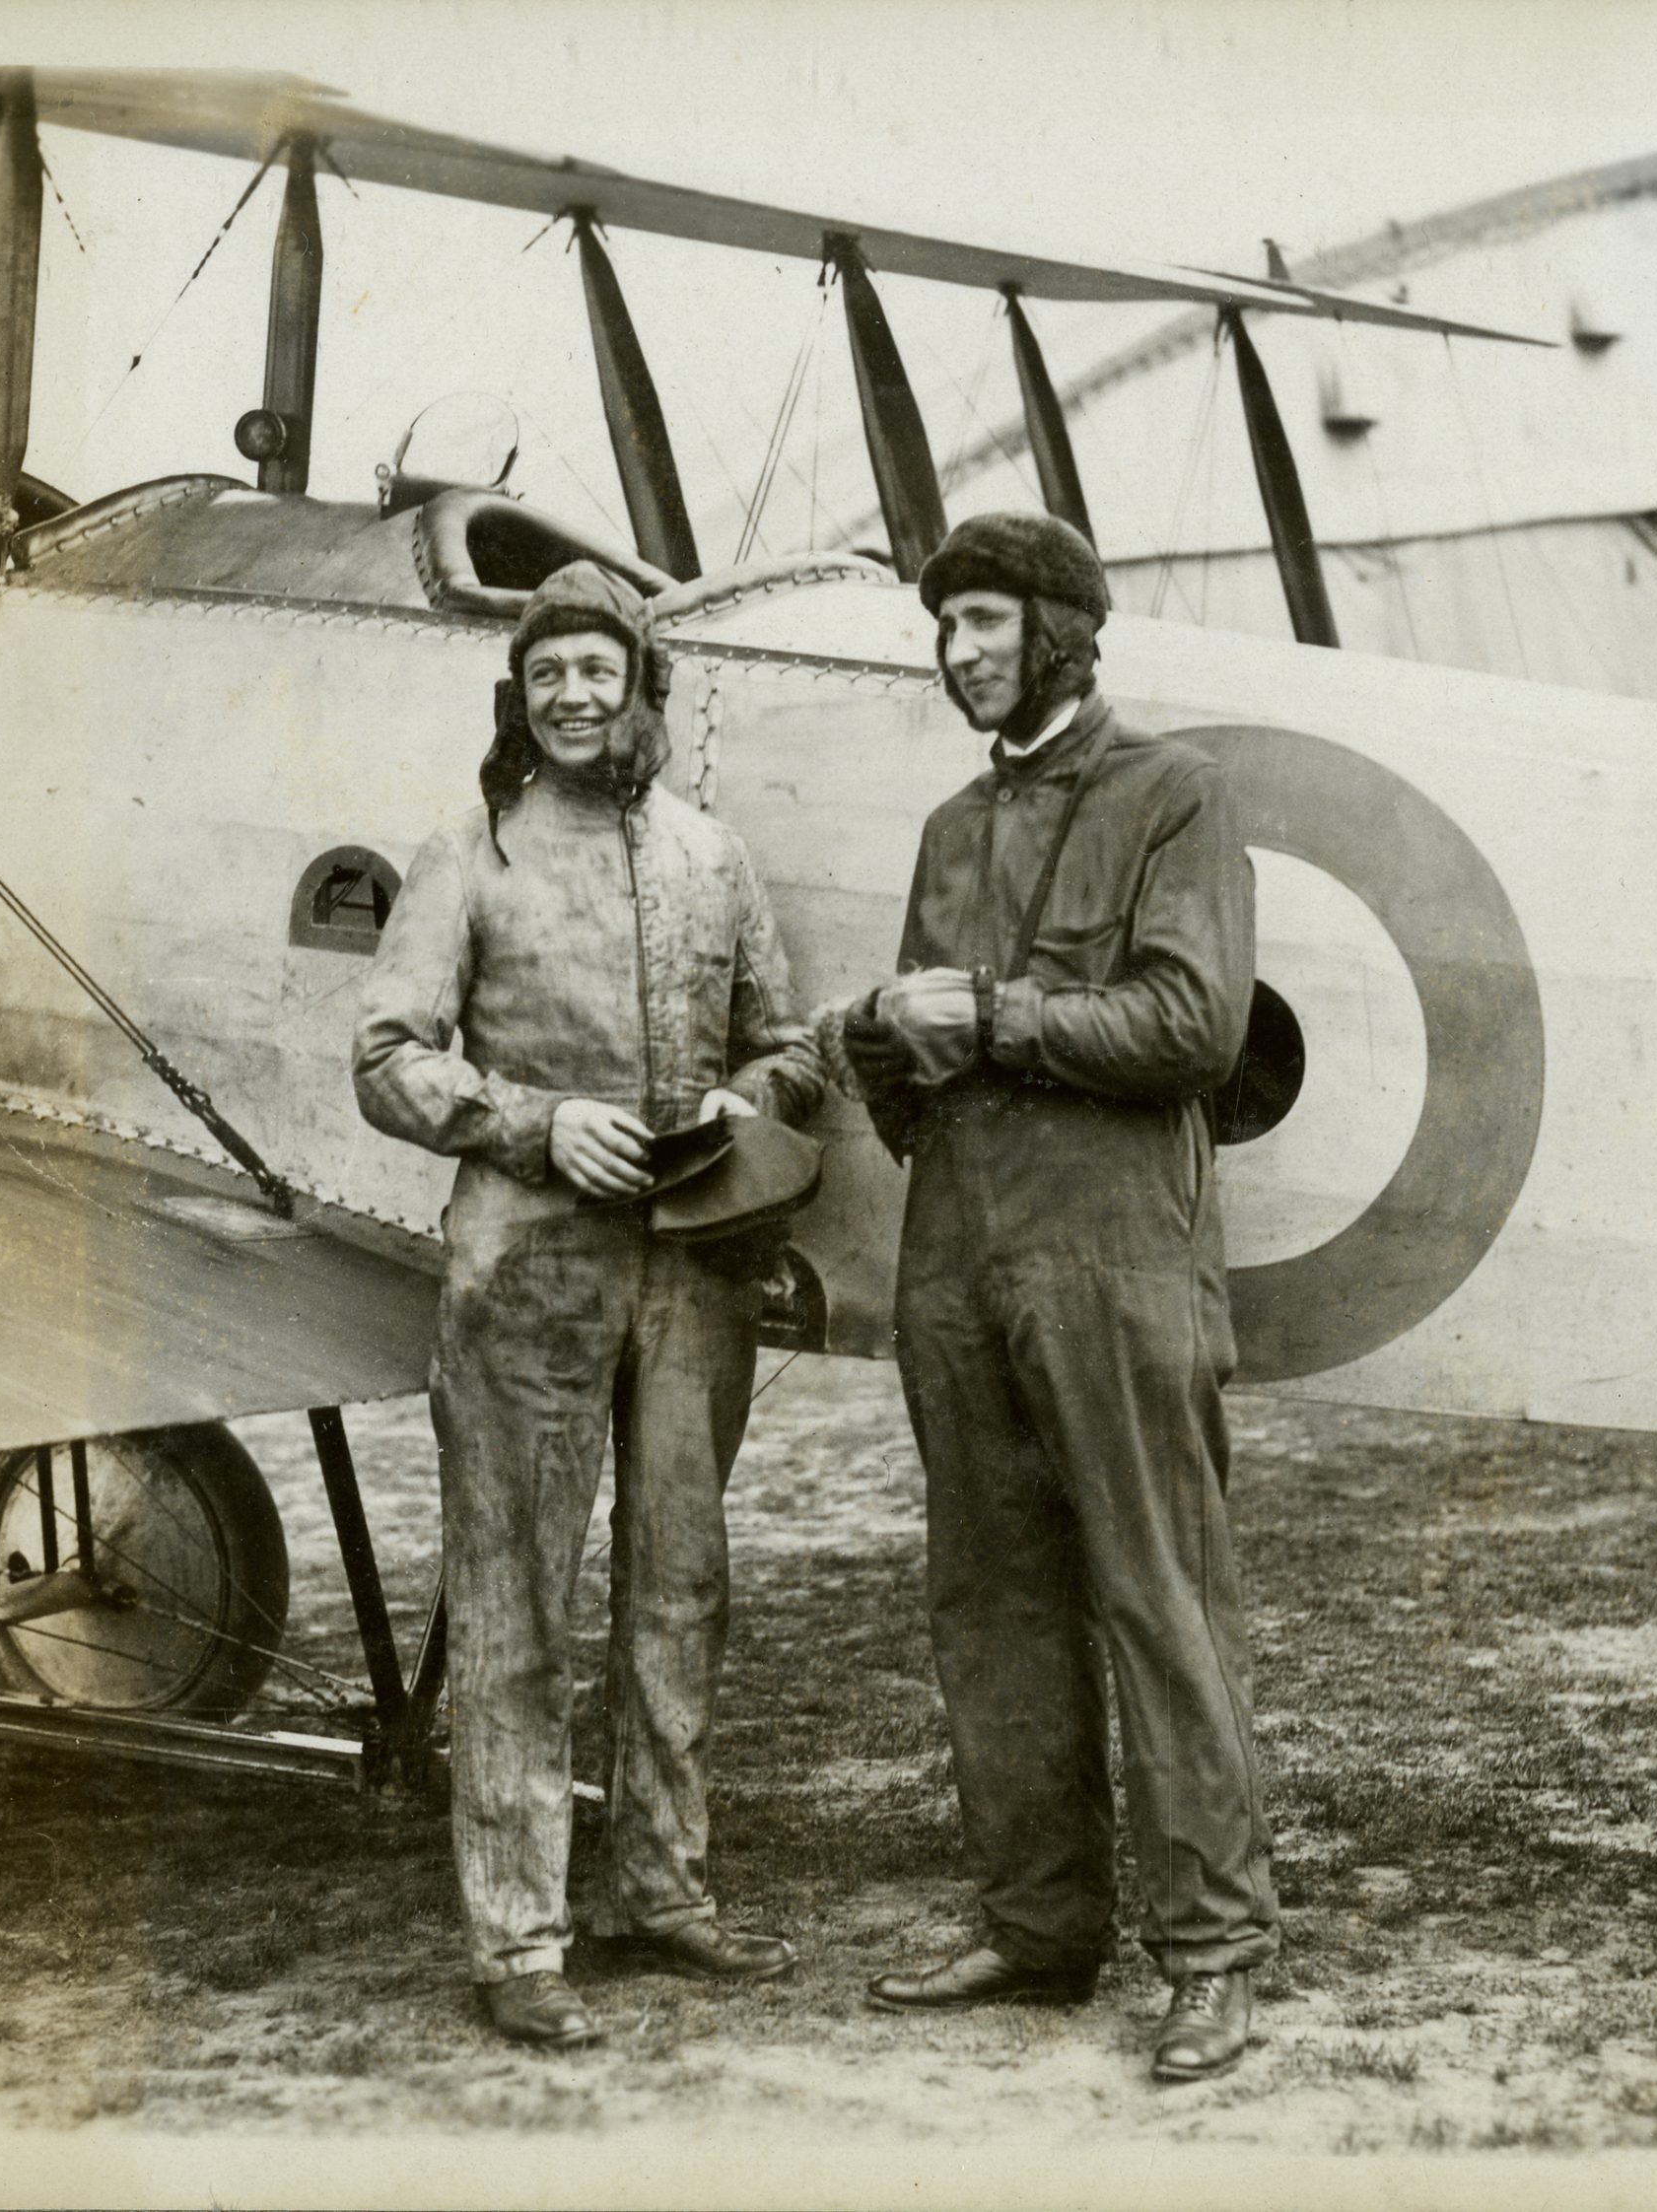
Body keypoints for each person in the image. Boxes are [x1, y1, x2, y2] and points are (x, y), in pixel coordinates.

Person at [354, 562, 824, 2051]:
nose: (573, 695)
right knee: (517, 1602)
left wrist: (746, 1100)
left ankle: (664, 1893)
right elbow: (386, 1055)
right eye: (547, 672)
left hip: (693, 1270)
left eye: (597, 671)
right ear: (522, 694)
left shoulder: (711, 856)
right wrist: (532, 1123)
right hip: (528, 1271)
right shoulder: (469, 856)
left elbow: (790, 1044)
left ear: (641, 689)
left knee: (679, 1585)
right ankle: (520, 1939)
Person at [846, 512, 1279, 2083]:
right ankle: (1038, 1931)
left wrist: (995, 1019)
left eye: (985, 622)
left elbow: (1195, 1025)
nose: (959, 652)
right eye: (944, 627)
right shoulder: (951, 831)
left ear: (1061, 632)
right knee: (989, 1601)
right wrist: (885, 1042)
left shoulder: (1177, 796)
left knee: (1157, 1594)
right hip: (956, 1253)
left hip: (1112, 1255)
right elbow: (919, 1052)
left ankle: (1215, 1954)